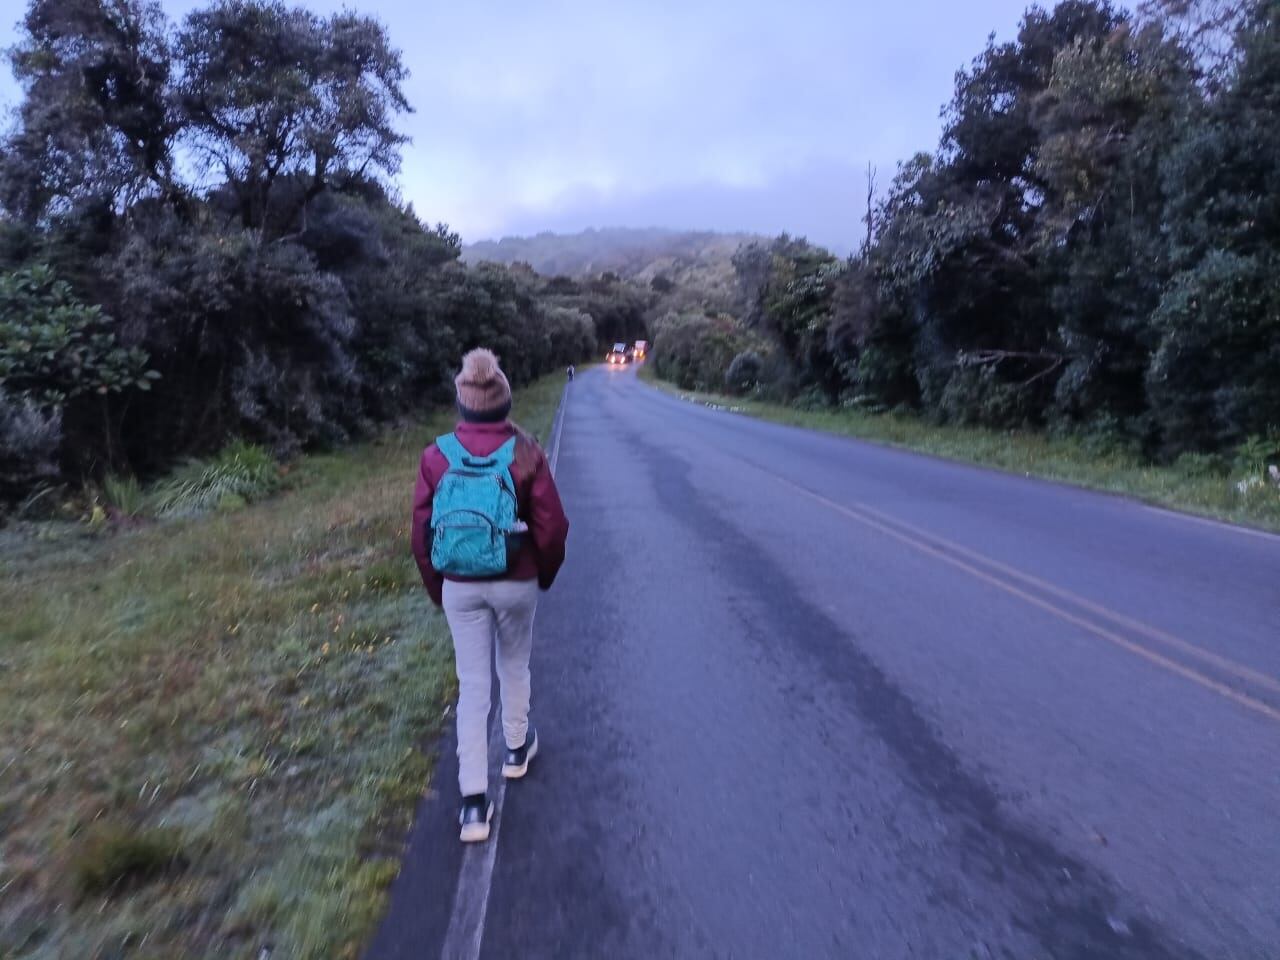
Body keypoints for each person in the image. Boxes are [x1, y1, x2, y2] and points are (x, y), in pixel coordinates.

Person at [411, 348, 569, 843]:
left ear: (463, 406)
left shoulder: (436, 456)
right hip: (516, 579)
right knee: (514, 665)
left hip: (460, 585)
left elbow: (421, 532)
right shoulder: (526, 451)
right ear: (503, 404)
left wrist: (439, 587)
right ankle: (517, 751)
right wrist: (540, 574)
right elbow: (553, 527)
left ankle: (473, 804)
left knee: (473, 685)